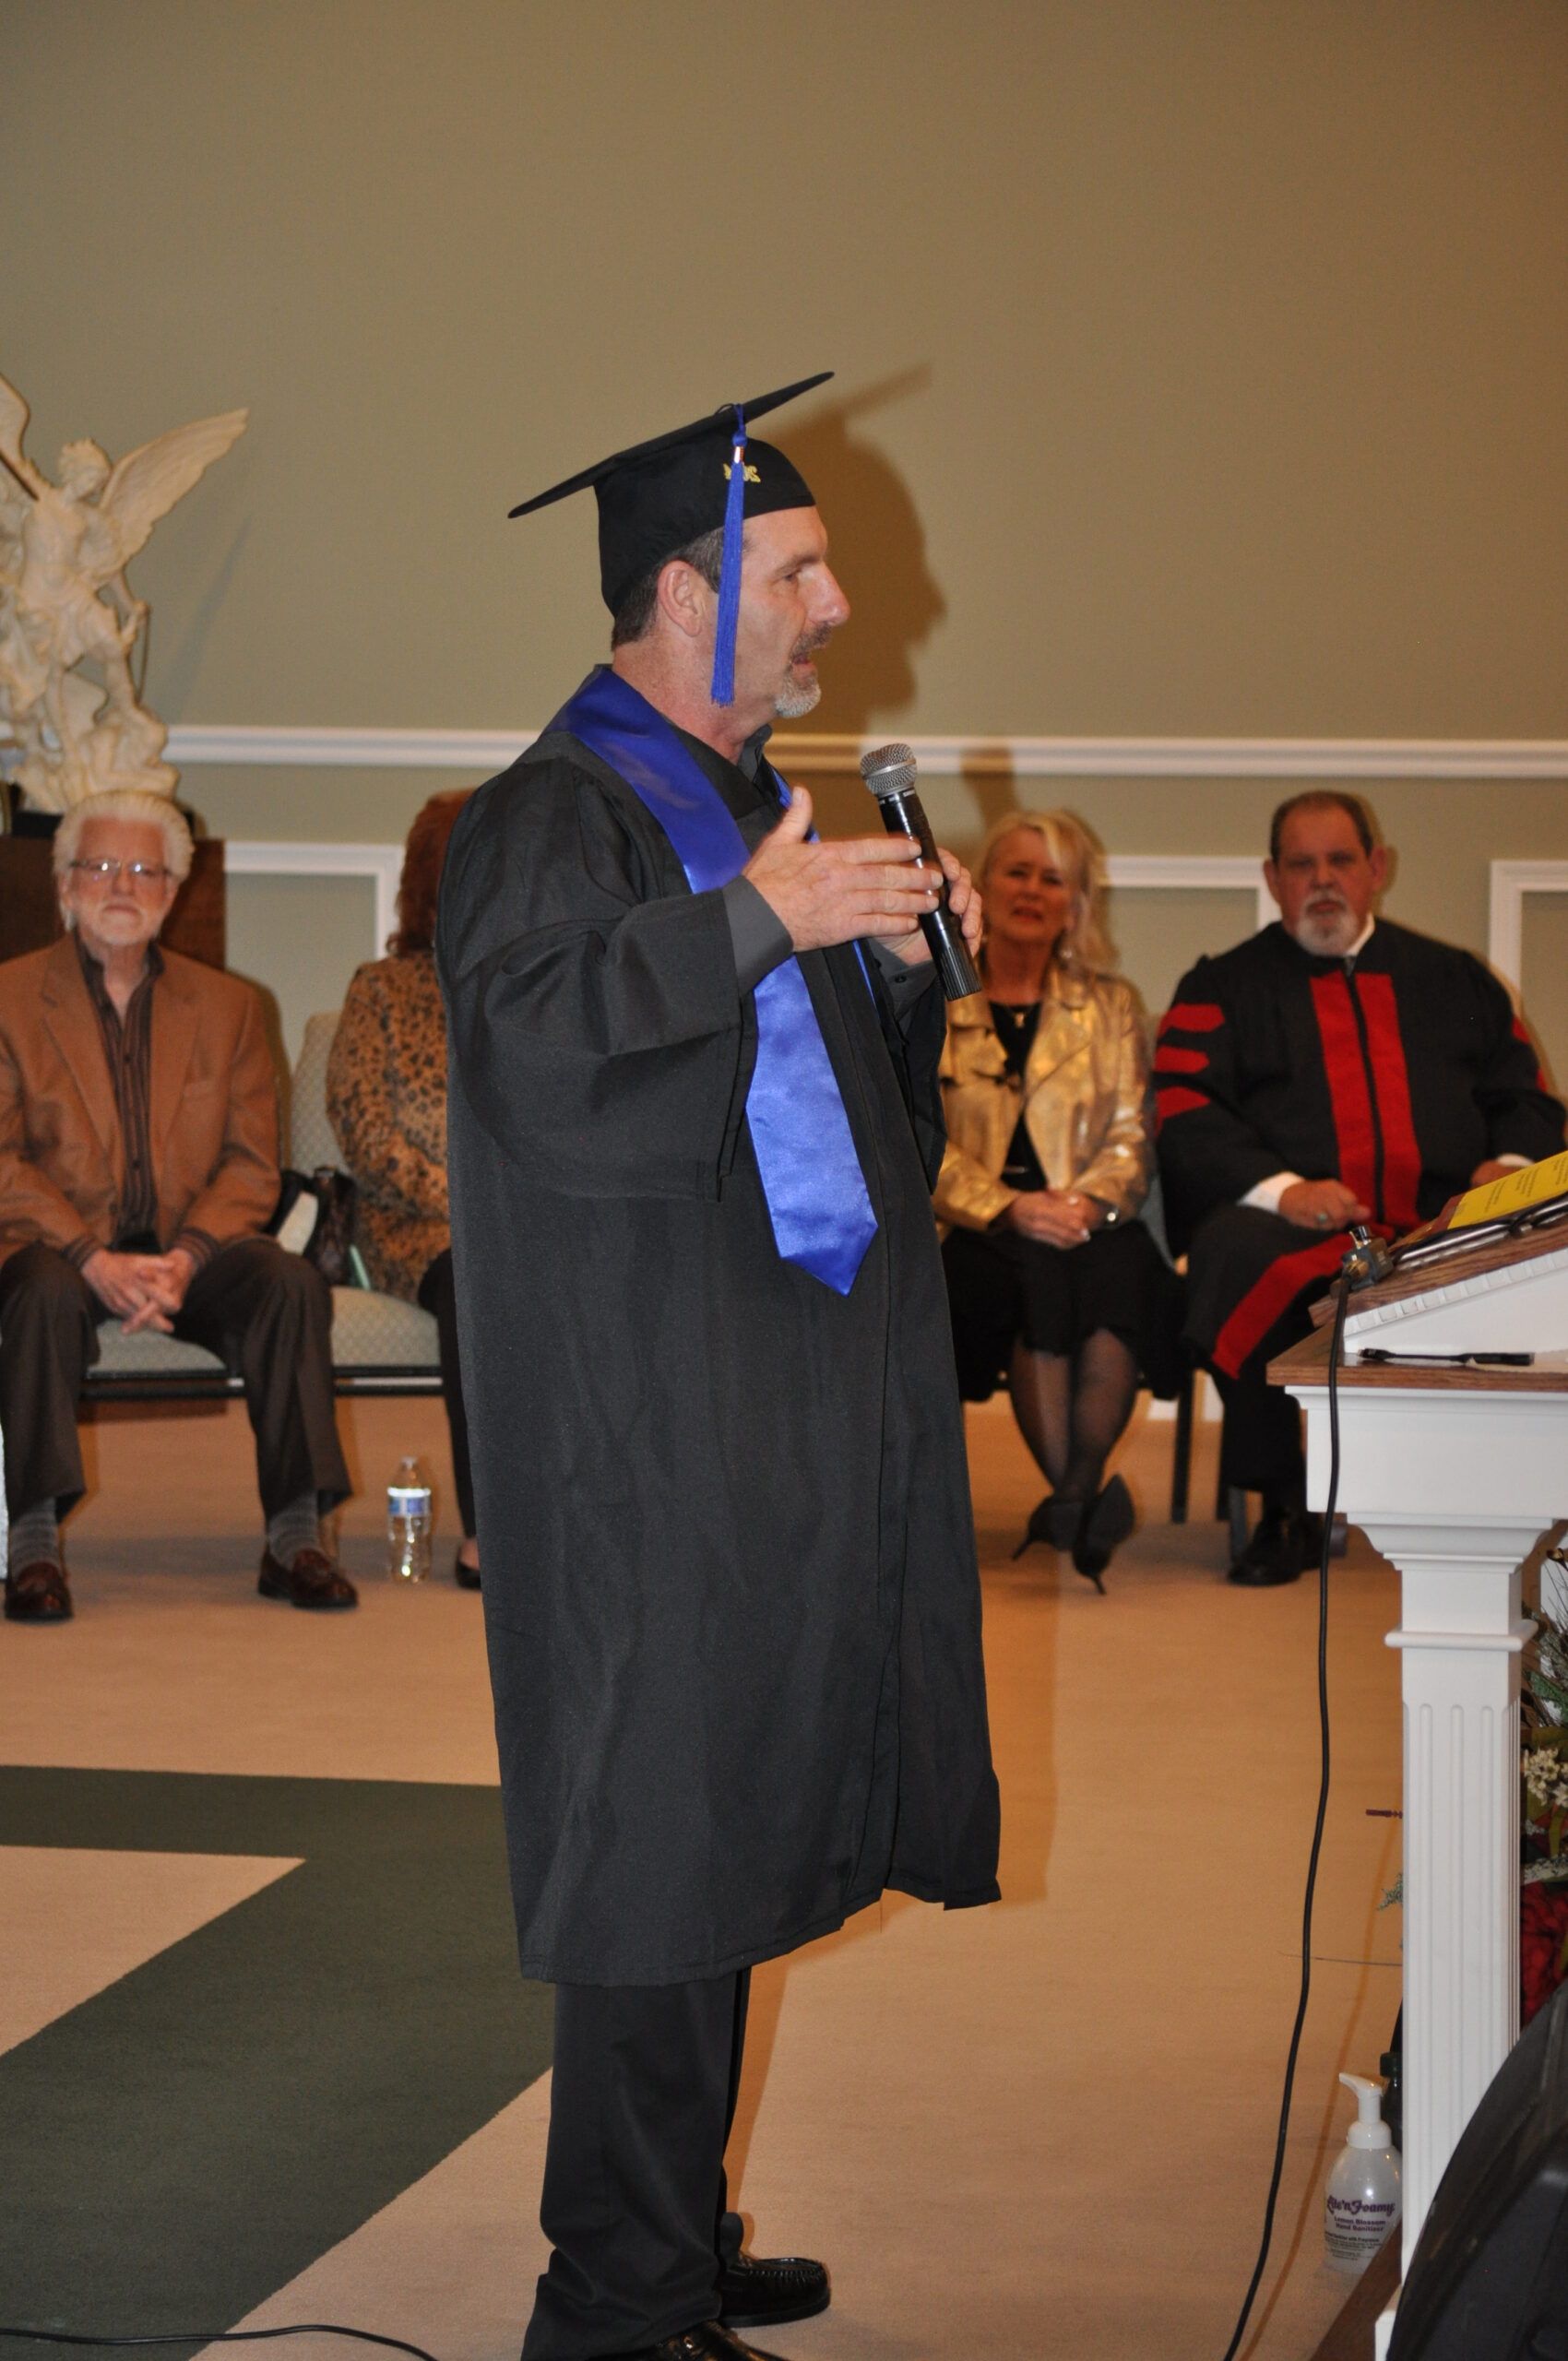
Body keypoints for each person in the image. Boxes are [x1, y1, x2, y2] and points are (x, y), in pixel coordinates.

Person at [438, 376, 1000, 2361]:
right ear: (684, 592)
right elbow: (531, 1052)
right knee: (660, 1839)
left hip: (769, 1385)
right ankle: (613, 2301)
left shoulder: (745, 804)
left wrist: (892, 979)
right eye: (798, 571)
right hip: (645, 1414)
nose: (837, 604)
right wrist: (756, 921)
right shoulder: (552, 815)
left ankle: (668, 2225)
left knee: (738, 1802)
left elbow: (810, 1108)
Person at [1157, 789, 1566, 1585]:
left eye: (1340, 860)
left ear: (1377, 868)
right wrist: (1283, 1190)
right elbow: (1183, 1105)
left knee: (1523, 1252)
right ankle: (1285, 1504)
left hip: (1442, 1221)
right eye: (1301, 864)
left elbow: (1523, 1095)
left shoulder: (1455, 979)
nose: (1323, 880)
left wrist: (1509, 1169)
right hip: (1295, 1228)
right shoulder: (1221, 988)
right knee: (1235, 1255)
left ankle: (1485, 1490)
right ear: (1272, 878)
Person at [0, 787, 354, 1620]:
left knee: (288, 1286)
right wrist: (92, 1259)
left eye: (145, 870)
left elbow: (251, 1164)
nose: (123, 886)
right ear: (64, 884)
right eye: (101, 867)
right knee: (41, 1292)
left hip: (189, 1251)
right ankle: (33, 1545)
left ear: (173, 889)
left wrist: (188, 1257)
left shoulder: (230, 1008)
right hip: (57, 1248)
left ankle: (294, 1538)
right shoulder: (9, 998)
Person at [935, 808, 1181, 1586]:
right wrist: (1007, 1208)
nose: (1033, 891)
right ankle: (1081, 1498)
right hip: (976, 1229)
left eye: (1053, 878)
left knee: (1118, 1282)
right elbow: (917, 1139)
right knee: (1031, 1282)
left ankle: (1071, 1500)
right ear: (982, 884)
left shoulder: (1110, 1005)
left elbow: (1132, 1133)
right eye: (1017, 872)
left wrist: (1088, 1206)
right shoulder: (934, 998)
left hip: (1089, 1218)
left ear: (1076, 902)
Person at [327, 789, 478, 1587]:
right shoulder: (380, 990)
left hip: (519, 1222)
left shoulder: (529, 986)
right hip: (409, 1228)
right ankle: (491, 1532)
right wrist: (472, 1204)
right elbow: (365, 1135)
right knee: (475, 1279)